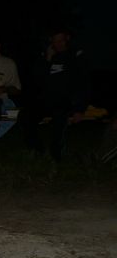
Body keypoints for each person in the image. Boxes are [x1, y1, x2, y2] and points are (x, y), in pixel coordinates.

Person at [21, 28, 88, 161]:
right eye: (55, 41)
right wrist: (48, 59)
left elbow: (84, 84)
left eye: (61, 40)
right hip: (46, 99)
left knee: (60, 117)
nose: (58, 44)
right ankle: (37, 150)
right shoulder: (46, 56)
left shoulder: (75, 56)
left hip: (66, 100)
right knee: (24, 116)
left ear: (67, 39)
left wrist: (79, 109)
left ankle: (57, 155)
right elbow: (37, 80)